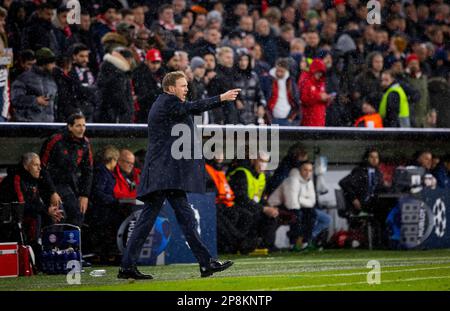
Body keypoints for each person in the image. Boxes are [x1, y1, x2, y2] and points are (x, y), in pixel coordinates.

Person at [118, 71, 240, 279]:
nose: (186, 89)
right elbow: (193, 108)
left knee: (181, 219)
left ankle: (205, 263)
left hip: (167, 174)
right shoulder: (168, 103)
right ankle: (128, 266)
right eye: (182, 86)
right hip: (163, 174)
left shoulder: (166, 103)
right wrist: (221, 98)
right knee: (163, 220)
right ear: (171, 88)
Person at [40, 113, 93, 227]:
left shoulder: (85, 144)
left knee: (77, 214)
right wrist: (52, 192)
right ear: (70, 127)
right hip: (50, 183)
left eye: (84, 125)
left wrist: (85, 195)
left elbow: (88, 170)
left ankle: (71, 244)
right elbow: (43, 167)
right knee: (59, 215)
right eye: (78, 126)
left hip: (67, 185)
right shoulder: (56, 140)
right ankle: (55, 243)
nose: (82, 129)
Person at [11, 48, 58, 122]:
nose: (54, 66)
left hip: (48, 125)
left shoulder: (52, 80)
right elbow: (15, 100)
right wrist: (35, 100)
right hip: (28, 125)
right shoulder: (23, 78)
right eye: (52, 63)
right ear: (44, 63)